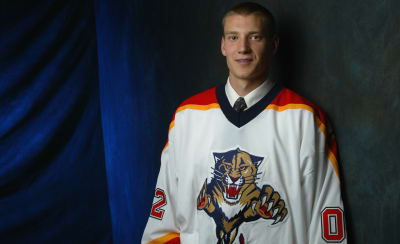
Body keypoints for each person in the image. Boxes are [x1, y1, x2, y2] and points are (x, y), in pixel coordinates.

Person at [142, 2, 347, 244]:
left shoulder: (305, 119)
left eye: (255, 37)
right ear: (223, 45)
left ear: (273, 45)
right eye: (233, 37)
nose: (243, 48)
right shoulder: (187, 117)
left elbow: (327, 219)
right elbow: (162, 225)